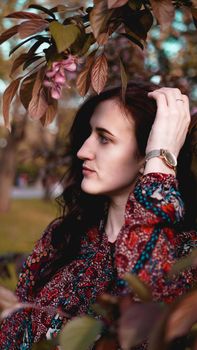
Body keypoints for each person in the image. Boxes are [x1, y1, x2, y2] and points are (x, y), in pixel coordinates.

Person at [0, 80, 196, 349]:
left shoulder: (183, 255)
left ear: (145, 158)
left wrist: (161, 159)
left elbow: (146, 299)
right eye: (89, 134)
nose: (83, 151)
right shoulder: (64, 236)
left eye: (104, 138)